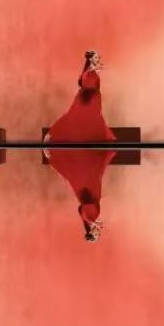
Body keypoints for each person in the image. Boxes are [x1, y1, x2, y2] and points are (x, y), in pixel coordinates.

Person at [44, 50, 117, 242]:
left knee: (84, 109)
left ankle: (90, 226)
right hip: (88, 110)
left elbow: (72, 114)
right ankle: (90, 226)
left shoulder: (87, 85)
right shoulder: (87, 85)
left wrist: (91, 225)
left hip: (88, 110)